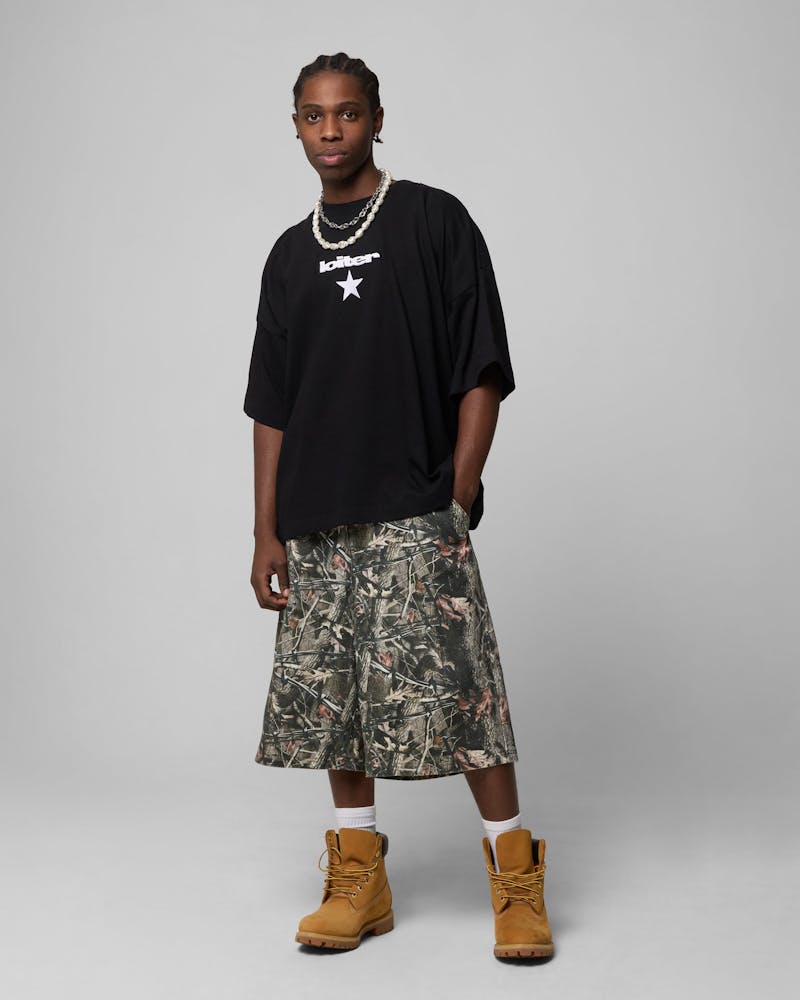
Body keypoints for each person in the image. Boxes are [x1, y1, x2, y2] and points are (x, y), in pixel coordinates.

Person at [243, 51, 554, 960]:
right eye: (313, 116)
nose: (330, 130)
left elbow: (480, 364)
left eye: (347, 113)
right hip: (316, 515)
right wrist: (265, 528)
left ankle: (516, 877)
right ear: (295, 127)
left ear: (378, 119)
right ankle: (359, 878)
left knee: (465, 691)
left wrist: (456, 492)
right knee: (335, 700)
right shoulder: (288, 255)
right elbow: (272, 404)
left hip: (416, 505)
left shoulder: (433, 219)